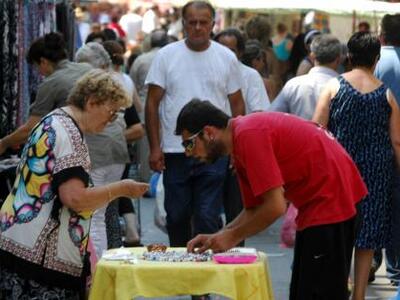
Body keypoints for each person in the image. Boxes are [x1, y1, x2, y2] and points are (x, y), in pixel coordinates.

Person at [177, 99, 367, 300]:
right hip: (321, 202)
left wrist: (232, 237)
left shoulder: (248, 135)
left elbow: (275, 207)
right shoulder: (240, 141)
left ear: (208, 132)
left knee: (319, 293)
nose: (188, 153)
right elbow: (254, 208)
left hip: (333, 201)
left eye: (189, 144)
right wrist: (219, 235)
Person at [0, 69, 148, 299]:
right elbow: (75, 199)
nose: (111, 121)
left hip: (18, 242)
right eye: (111, 112)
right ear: (91, 102)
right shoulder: (69, 134)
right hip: (40, 262)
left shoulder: (53, 120)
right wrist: (120, 189)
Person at [145, 0, 245, 247]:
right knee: (176, 214)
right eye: (192, 22)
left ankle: (203, 274)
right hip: (176, 149)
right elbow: (151, 104)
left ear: (213, 24)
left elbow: (237, 105)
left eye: (203, 22)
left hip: (214, 150)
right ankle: (182, 264)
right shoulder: (166, 56)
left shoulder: (226, 57)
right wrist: (155, 147)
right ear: (183, 24)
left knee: (207, 215)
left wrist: (236, 148)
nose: (198, 27)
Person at [313, 31, 400, 300]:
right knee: (368, 237)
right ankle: (359, 294)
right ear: (376, 59)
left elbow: (316, 130)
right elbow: (397, 141)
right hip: (377, 173)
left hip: (340, 171)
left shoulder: (333, 87)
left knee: (341, 231)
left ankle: (341, 287)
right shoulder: (386, 94)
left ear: (348, 57)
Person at [0, 32, 92, 155]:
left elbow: (30, 128)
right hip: (110, 147)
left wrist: (4, 143)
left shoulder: (51, 83)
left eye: (36, 66)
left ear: (43, 61)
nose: (39, 72)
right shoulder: (87, 69)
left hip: (84, 153)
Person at [370, 13, 400, 286]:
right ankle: (394, 268)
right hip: (395, 146)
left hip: (378, 147)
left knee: (377, 207)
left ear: (382, 35)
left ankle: (374, 262)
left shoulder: (377, 62)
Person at [270, 34, 341, 120]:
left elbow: (272, 115)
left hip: (296, 133)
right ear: (338, 60)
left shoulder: (293, 85)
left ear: (311, 57)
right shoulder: (344, 88)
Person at [214, 28, 270, 114]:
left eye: (230, 51)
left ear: (240, 52)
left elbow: (258, 111)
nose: (225, 54)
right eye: (221, 50)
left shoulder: (251, 75)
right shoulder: (209, 71)